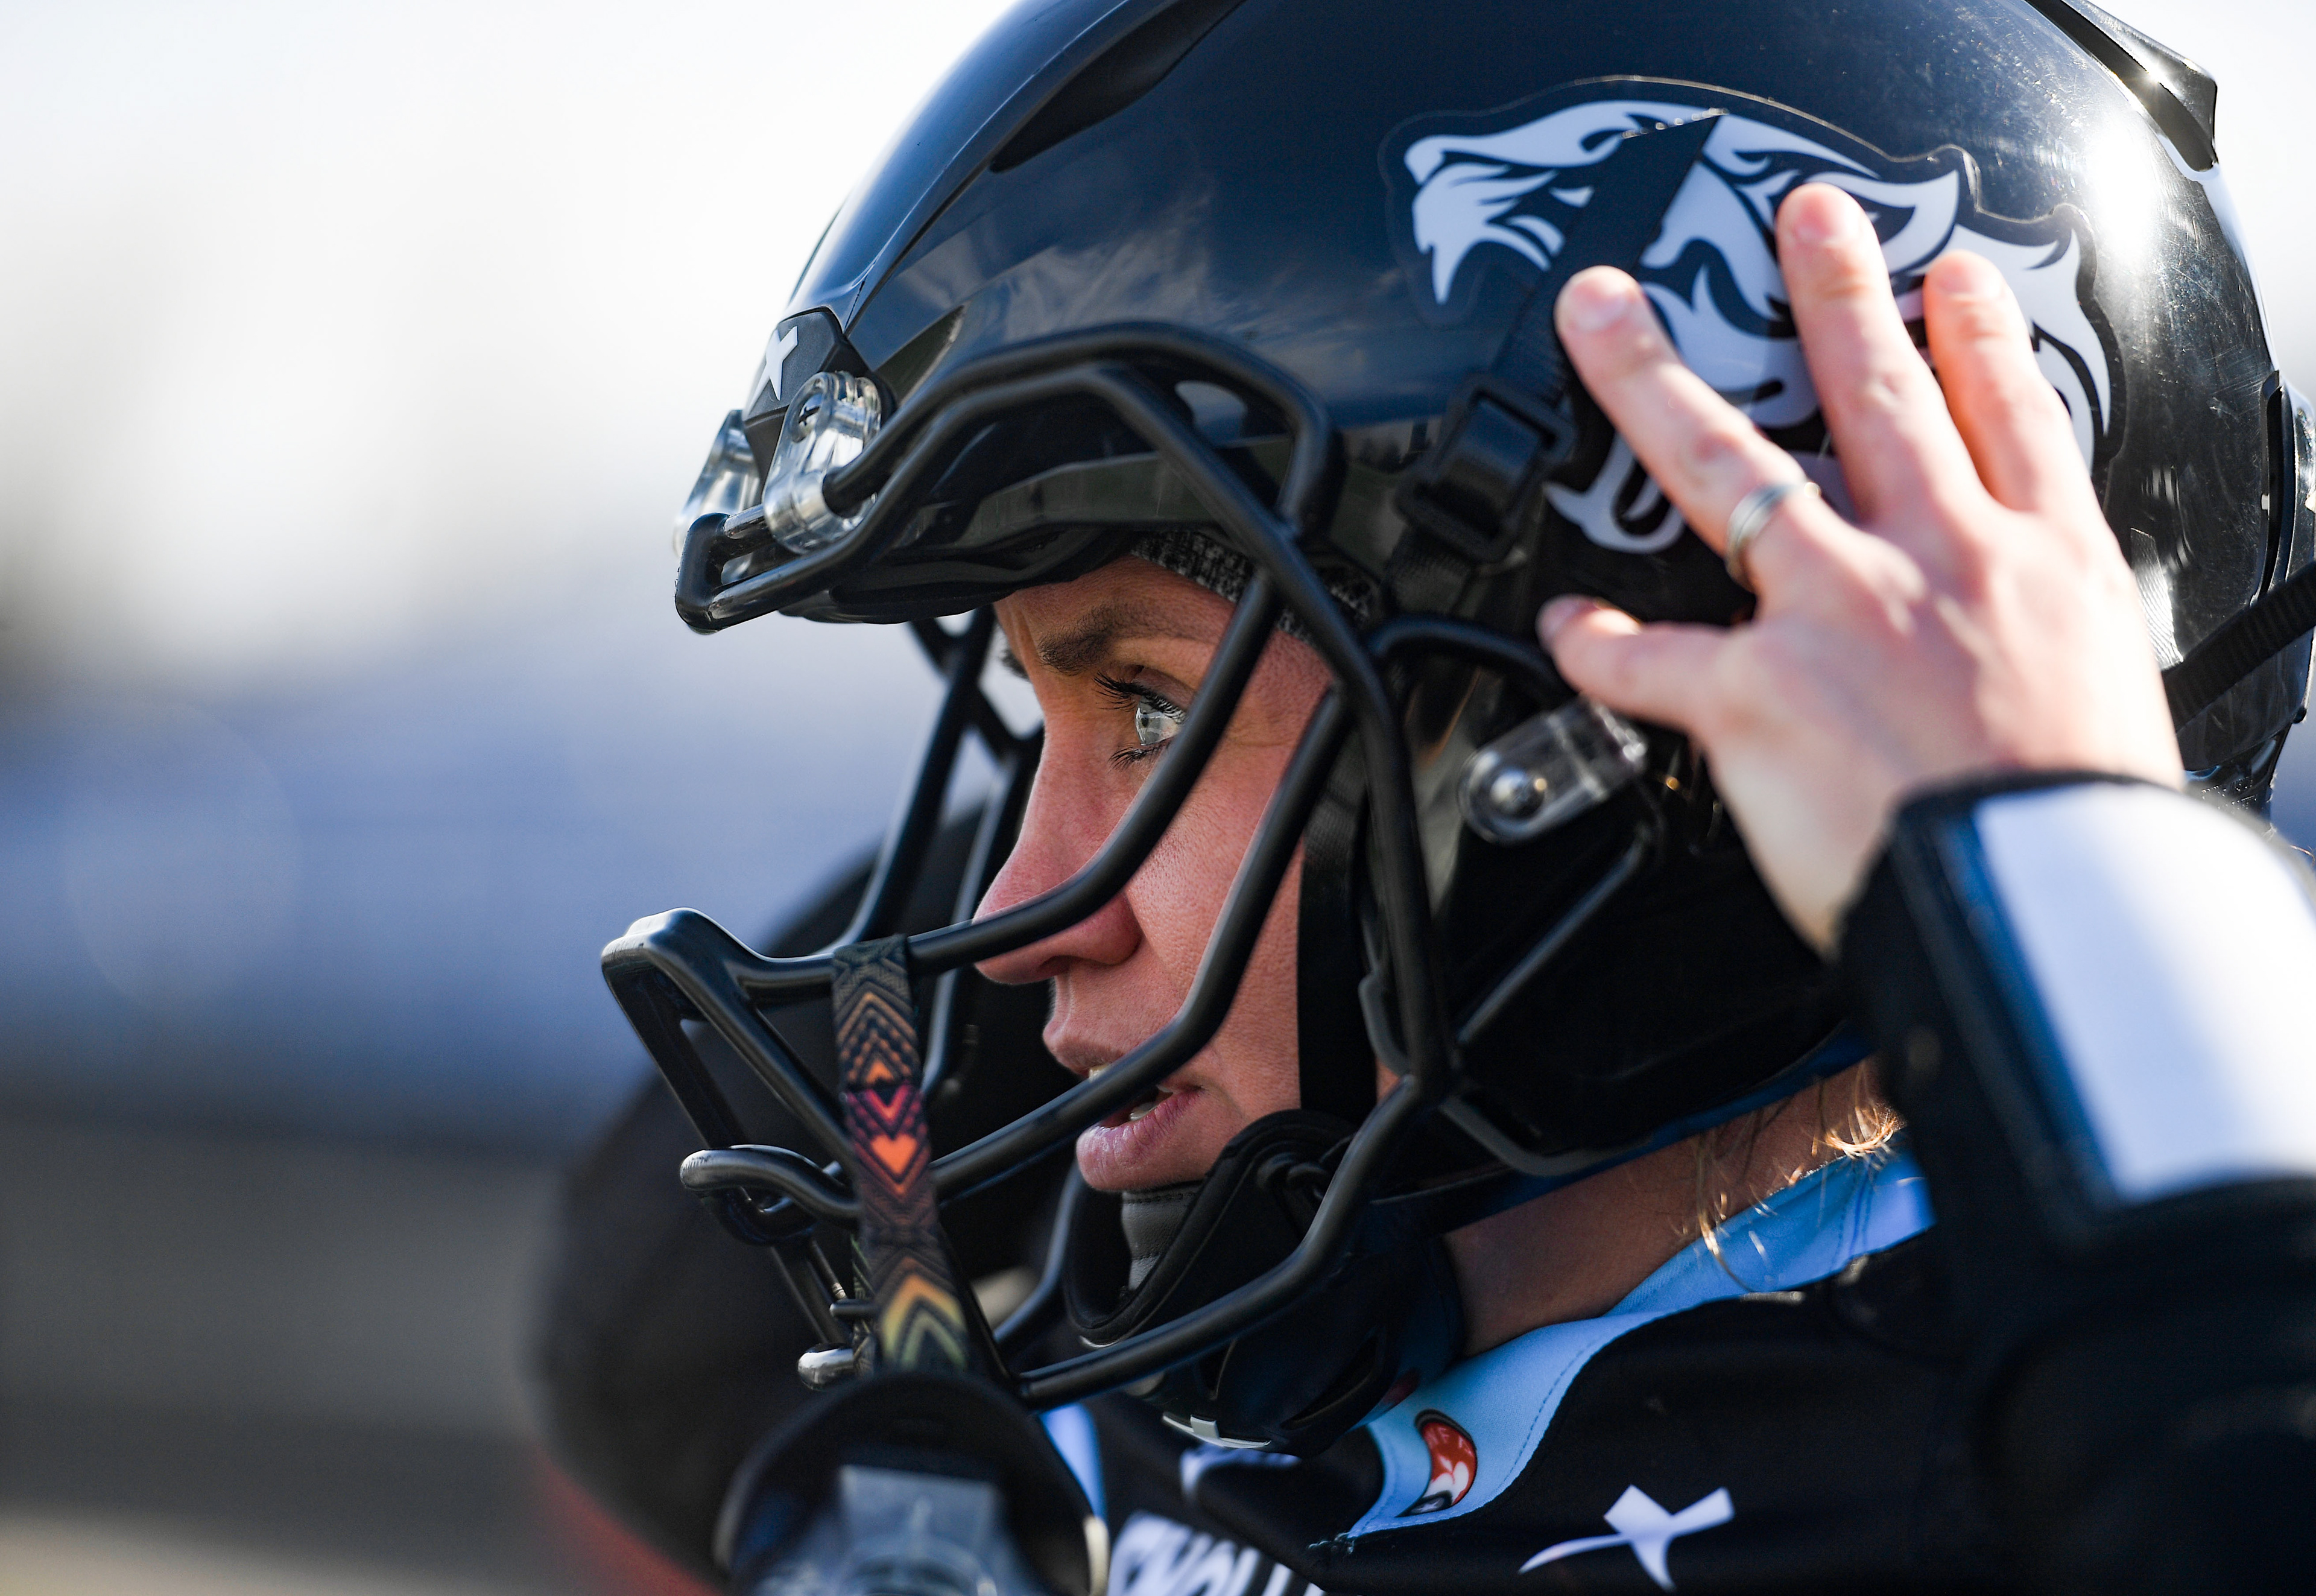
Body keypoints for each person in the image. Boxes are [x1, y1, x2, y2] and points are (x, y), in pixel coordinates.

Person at [549, 1, 2316, 1589]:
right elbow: (648, 1351)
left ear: (1623, 738)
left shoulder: (2066, 1460)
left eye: (1149, 703)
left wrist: (2051, 877)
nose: (1027, 918)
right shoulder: (1243, 1332)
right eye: (1044, 712)